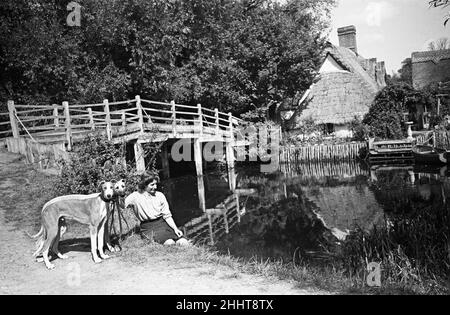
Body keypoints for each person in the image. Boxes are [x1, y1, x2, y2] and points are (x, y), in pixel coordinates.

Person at [125, 172, 190, 246]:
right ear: (144, 185)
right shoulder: (135, 196)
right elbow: (122, 205)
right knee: (170, 243)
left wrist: (175, 229)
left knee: (183, 242)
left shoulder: (160, 195)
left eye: (156, 184)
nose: (155, 187)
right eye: (152, 185)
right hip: (148, 227)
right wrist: (117, 194)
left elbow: (167, 216)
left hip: (162, 224)